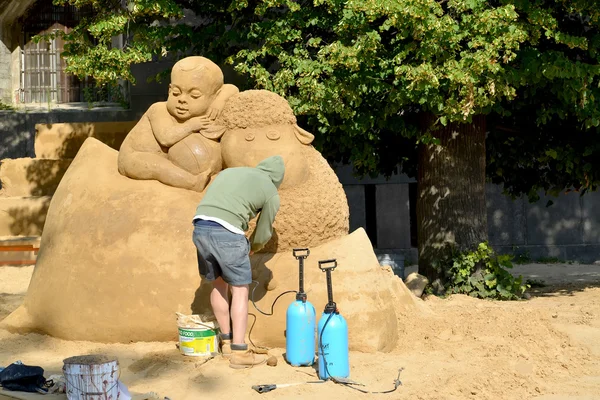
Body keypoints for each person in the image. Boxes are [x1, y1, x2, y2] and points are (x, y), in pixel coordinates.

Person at [192, 155, 285, 369]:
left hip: (200, 227)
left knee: (218, 285)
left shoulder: (230, 172)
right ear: (277, 179)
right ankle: (239, 352)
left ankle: (226, 343)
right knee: (240, 290)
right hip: (228, 234)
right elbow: (264, 230)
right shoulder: (270, 191)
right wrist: (253, 246)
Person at [118, 56, 238, 191]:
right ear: (169, 90)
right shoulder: (158, 109)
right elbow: (166, 138)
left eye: (194, 95)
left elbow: (231, 88)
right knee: (159, 166)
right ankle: (192, 183)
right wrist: (191, 126)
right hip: (134, 157)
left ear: (213, 96)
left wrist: (220, 101)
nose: (182, 100)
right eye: (176, 93)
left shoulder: (212, 106)